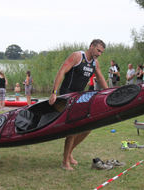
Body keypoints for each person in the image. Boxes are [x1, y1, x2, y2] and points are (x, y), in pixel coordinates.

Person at [49, 39, 108, 170]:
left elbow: (101, 78)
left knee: (88, 127)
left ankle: (69, 153)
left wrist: (109, 93)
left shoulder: (95, 63)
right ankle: (65, 163)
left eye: (101, 52)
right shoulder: (77, 56)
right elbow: (61, 71)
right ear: (91, 46)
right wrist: (54, 92)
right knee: (74, 129)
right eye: (98, 50)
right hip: (67, 96)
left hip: (80, 97)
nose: (99, 54)